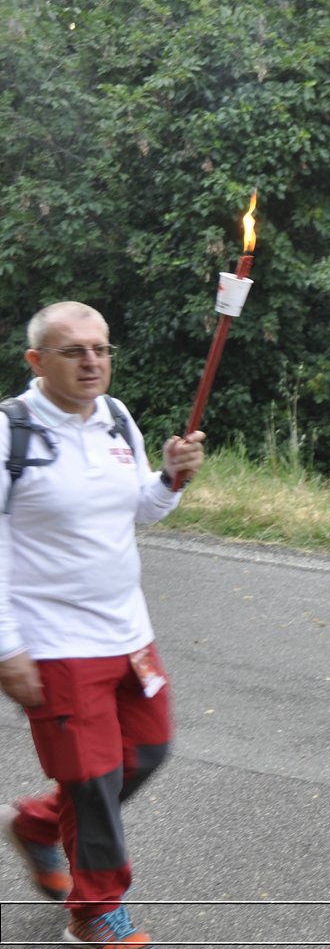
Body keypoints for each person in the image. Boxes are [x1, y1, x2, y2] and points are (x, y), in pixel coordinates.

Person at [0, 301, 206, 948]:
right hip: (54, 646)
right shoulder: (10, 433)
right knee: (91, 784)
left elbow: (138, 509)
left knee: (144, 754)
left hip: (128, 635)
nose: (93, 361)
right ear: (37, 361)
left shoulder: (117, 418)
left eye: (102, 348)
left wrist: (170, 477)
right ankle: (95, 912)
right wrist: (7, 648)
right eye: (75, 351)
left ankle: (36, 823)